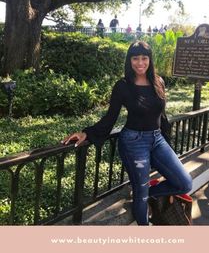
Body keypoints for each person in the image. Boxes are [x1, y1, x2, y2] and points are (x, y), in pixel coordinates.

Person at [61, 41, 192, 225]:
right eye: (135, 58)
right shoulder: (123, 86)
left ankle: (144, 193)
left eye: (144, 58)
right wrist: (86, 133)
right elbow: (110, 118)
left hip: (157, 139)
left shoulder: (158, 81)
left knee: (184, 183)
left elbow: (162, 117)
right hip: (133, 141)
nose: (140, 62)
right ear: (130, 61)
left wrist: (167, 145)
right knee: (141, 196)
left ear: (150, 59)